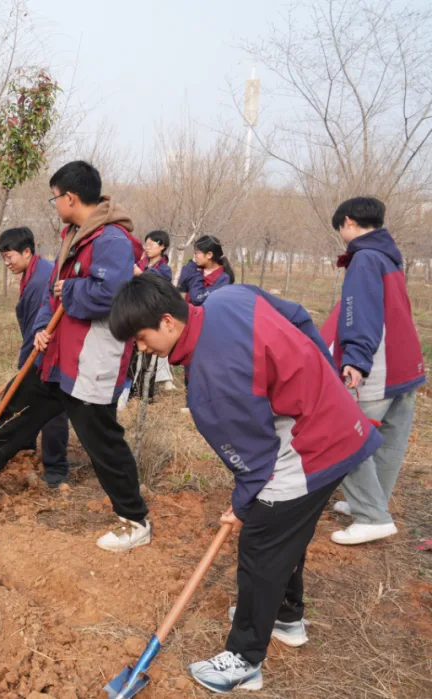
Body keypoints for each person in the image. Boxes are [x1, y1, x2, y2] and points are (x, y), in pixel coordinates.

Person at [109, 274, 381, 694]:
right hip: (332, 420)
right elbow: (299, 318)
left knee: (261, 545)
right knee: (285, 532)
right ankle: (286, 617)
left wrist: (241, 506)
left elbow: (255, 463)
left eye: (142, 339)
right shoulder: (229, 298)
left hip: (311, 446)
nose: (142, 349)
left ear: (167, 321)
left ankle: (244, 659)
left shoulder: (211, 381)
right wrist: (325, 379)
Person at [0, 161, 151, 553]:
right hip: (59, 353)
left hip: (90, 359)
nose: (55, 203)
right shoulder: (75, 236)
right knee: (26, 404)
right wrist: (43, 327)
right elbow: (53, 294)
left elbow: (111, 295)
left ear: (70, 197)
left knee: (102, 440)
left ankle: (135, 520)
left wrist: (69, 290)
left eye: (55, 197)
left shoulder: (111, 240)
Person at [320, 197, 425, 546]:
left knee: (346, 435)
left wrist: (355, 359)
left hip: (379, 366)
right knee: (389, 440)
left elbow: (360, 311)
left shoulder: (365, 258)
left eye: (340, 228)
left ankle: (371, 516)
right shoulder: (389, 255)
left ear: (349, 222)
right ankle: (370, 503)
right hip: (405, 363)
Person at [0, 226, 69, 487]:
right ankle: (25, 448)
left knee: (51, 412)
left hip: (51, 354)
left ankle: (56, 469)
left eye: (9, 257)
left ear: (27, 252)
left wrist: (26, 364)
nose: (7, 263)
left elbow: (39, 328)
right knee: (24, 401)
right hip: (39, 349)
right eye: (3, 258)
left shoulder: (41, 279)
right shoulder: (33, 273)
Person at [129, 229, 175, 396]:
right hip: (136, 314)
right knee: (133, 353)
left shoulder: (164, 269)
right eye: (146, 244)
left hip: (153, 316)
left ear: (162, 247)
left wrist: (140, 274)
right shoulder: (140, 264)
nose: (147, 247)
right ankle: (131, 390)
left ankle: (146, 394)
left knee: (149, 355)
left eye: (151, 244)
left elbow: (157, 285)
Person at [177, 235, 233, 305]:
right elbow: (180, 286)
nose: (194, 256)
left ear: (209, 255)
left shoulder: (223, 279)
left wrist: (196, 275)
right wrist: (191, 265)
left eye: (196, 253)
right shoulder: (196, 268)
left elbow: (198, 298)